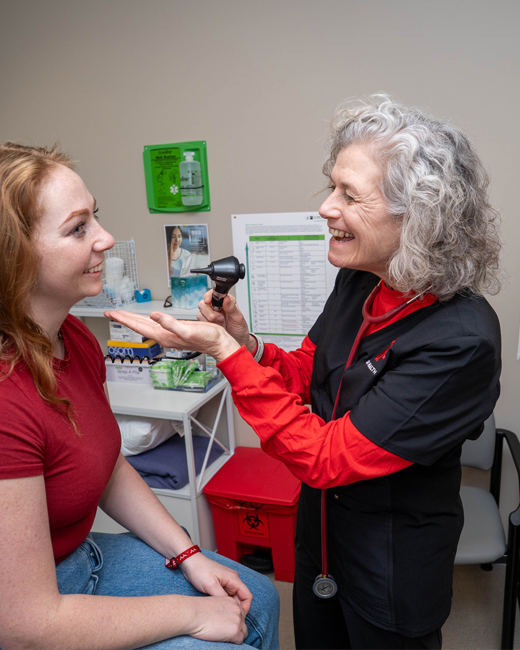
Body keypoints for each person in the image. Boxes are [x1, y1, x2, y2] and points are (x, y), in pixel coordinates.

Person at [105, 95, 503, 649]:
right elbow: (311, 373)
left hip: (390, 559)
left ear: (418, 214)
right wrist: (249, 344)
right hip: (321, 534)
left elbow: (326, 456)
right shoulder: (362, 279)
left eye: (349, 195)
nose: (325, 208)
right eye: (331, 187)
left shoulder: (461, 340)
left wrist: (227, 353)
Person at [0, 139, 280, 650]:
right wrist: (191, 616)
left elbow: (104, 464)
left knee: (258, 599)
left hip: (73, 564)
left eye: (96, 218)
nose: (107, 239)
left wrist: (189, 556)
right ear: (9, 256)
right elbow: (28, 627)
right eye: (78, 228)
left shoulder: (75, 340)